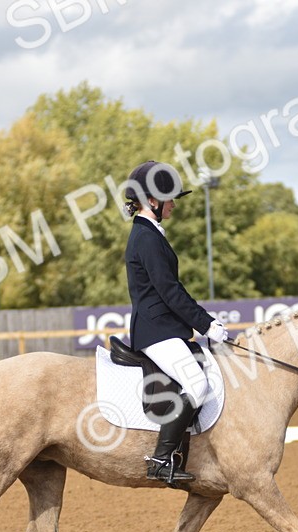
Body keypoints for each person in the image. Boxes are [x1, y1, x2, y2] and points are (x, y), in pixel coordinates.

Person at [122, 160, 229, 485]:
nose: (173, 205)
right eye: (169, 199)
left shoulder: (150, 233)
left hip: (163, 327)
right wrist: (206, 323)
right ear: (152, 201)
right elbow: (170, 291)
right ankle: (159, 459)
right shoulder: (146, 238)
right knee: (197, 385)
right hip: (156, 330)